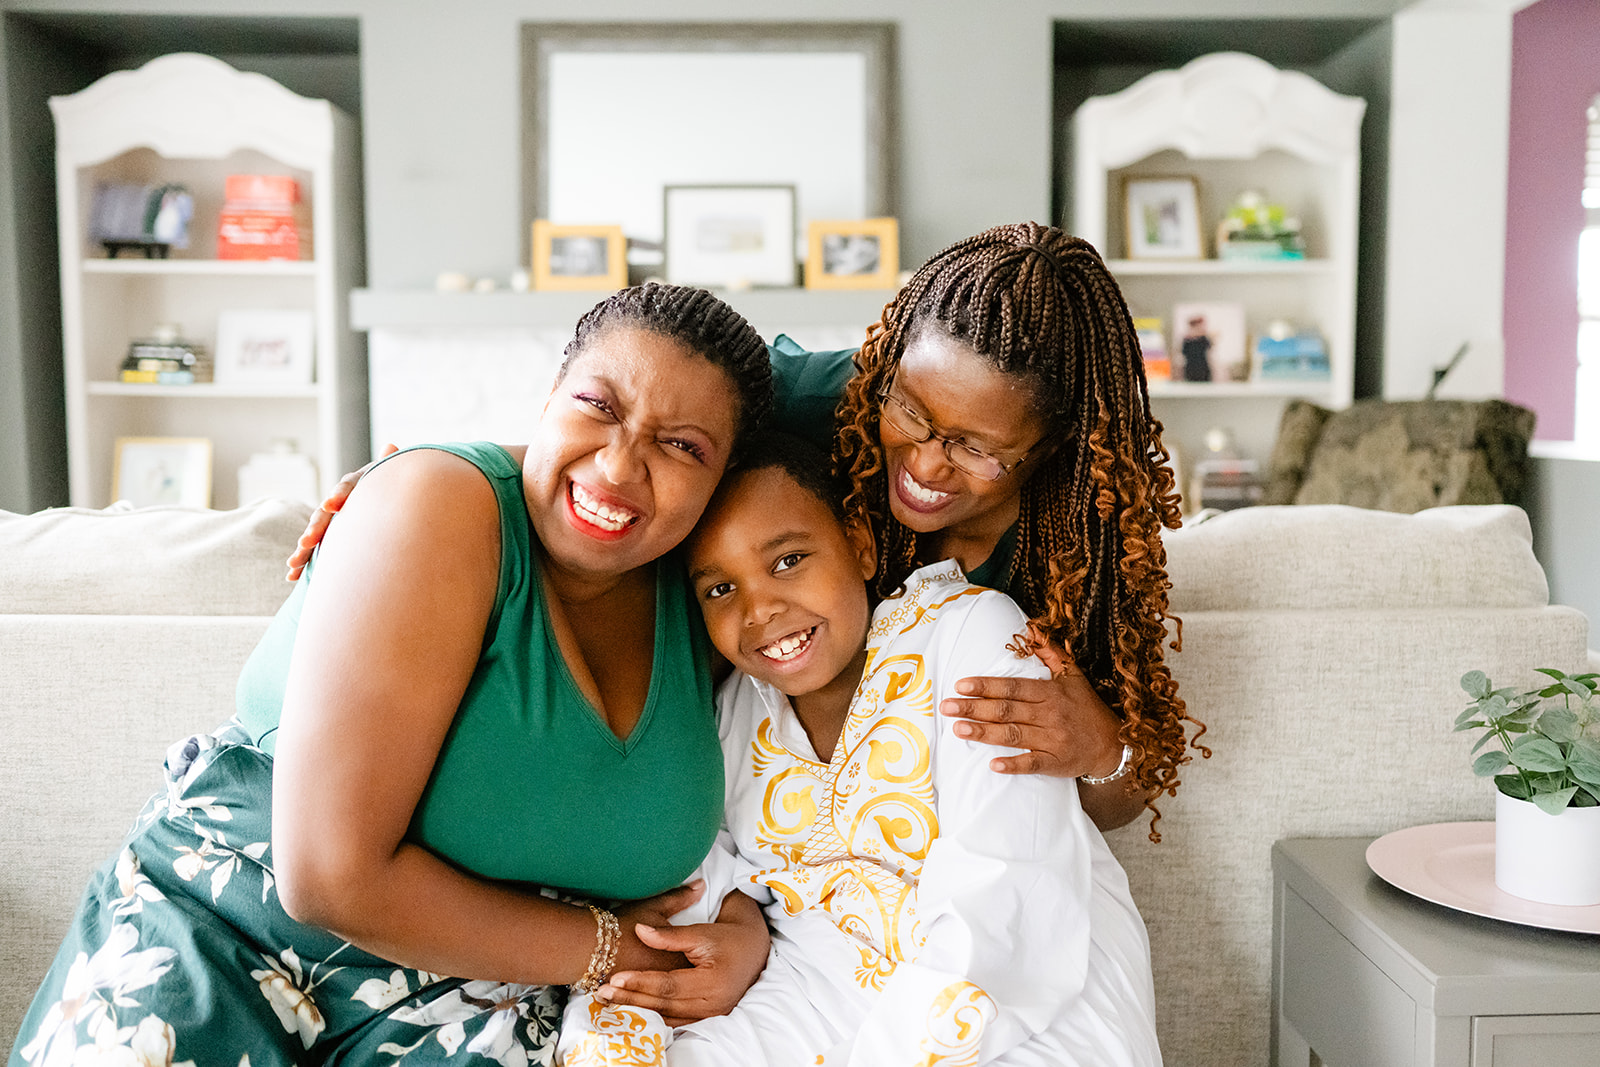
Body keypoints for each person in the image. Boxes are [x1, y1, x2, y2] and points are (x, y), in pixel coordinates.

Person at [10, 284, 777, 1067]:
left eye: (683, 446)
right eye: (597, 405)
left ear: (725, 479)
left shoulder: (720, 603)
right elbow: (328, 880)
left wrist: (745, 925)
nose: (618, 465)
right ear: (550, 395)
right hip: (229, 922)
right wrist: (621, 950)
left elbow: (776, 814)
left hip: (485, 992)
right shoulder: (438, 504)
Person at [289, 223, 1207, 843]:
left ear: (1053, 448)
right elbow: (635, 425)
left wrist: (1106, 751)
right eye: (913, 413)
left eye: (975, 449)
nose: (925, 464)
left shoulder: (1090, 539)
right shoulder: (826, 401)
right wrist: (434, 483)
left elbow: (1119, 797)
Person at [559, 433, 1160, 1066]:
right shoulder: (732, 710)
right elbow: (707, 868)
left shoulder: (966, 633)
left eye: (788, 560)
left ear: (860, 545)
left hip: (1022, 997)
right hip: (816, 993)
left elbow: (1006, 902)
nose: (760, 610)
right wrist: (736, 926)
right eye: (719, 590)